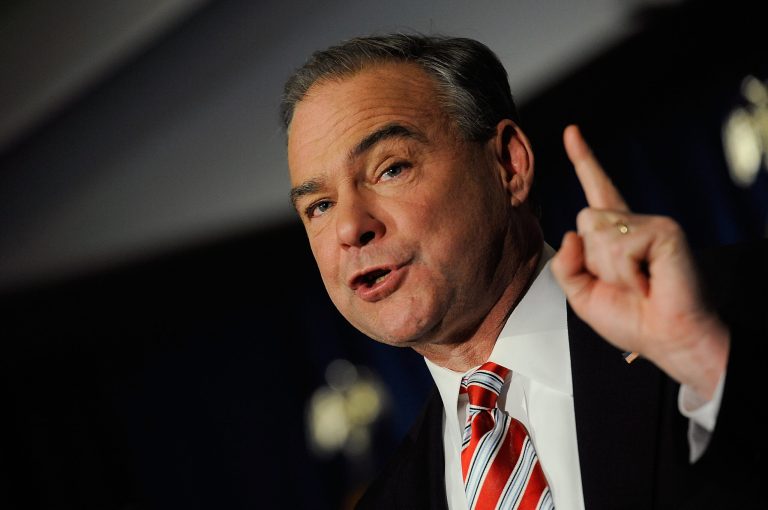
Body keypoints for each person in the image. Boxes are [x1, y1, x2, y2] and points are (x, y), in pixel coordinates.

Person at [280, 34, 766, 509]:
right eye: (319, 205)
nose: (349, 227)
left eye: (391, 169)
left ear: (508, 165)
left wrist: (704, 360)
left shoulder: (739, 304)